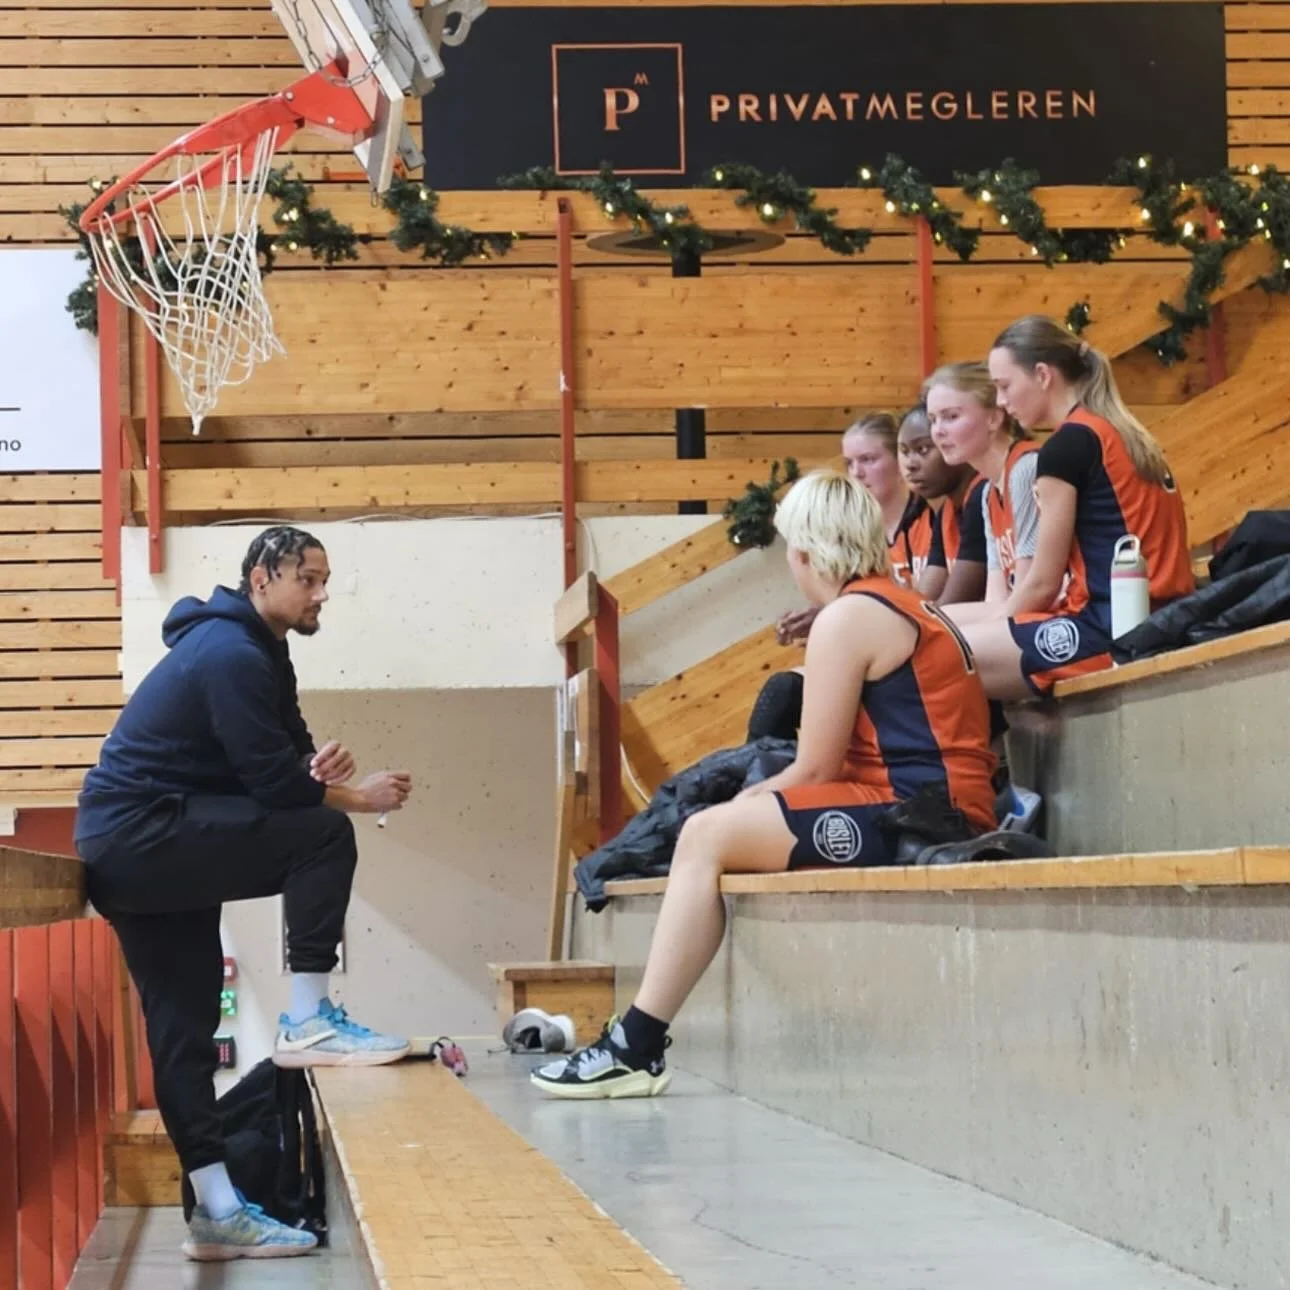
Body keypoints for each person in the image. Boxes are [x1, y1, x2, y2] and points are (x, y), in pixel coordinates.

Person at [532, 470, 996, 1100]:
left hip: (920, 810)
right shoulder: (898, 601)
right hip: (926, 799)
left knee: (705, 834)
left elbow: (815, 769)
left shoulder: (849, 617)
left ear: (803, 552)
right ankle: (636, 1042)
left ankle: (635, 1048)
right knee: (714, 827)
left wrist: (740, 806)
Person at [74, 526, 413, 1262]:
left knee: (184, 1029)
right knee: (324, 835)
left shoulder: (262, 650)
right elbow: (277, 789)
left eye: (325, 580)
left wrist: (318, 768)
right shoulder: (230, 652)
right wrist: (355, 796)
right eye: (309, 579)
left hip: (140, 846)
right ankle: (308, 1019)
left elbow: (289, 758)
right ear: (262, 579)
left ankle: (217, 1212)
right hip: (143, 835)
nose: (322, 594)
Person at [954, 316, 1194, 699]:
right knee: (938, 628)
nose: (1000, 400)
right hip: (1160, 614)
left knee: (940, 656)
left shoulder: (1066, 448)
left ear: (1042, 375)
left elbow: (1042, 584)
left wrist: (988, 628)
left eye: (1004, 386)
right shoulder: (1121, 431)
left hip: (1113, 628)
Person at [778, 412, 923, 644]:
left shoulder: (928, 517)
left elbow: (927, 607)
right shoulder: (848, 534)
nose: (856, 472)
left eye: (868, 459)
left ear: (900, 459)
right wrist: (825, 614)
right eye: (849, 463)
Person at [896, 403, 988, 605]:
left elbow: (954, 602)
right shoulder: (946, 510)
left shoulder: (981, 495)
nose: (910, 464)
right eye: (904, 451)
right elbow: (922, 602)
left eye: (923, 449)